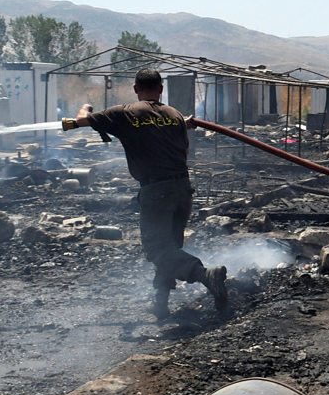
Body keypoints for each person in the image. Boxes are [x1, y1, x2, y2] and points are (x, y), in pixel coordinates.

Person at [64, 69, 228, 321]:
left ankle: (205, 274)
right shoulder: (174, 115)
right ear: (161, 89)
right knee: (170, 247)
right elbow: (167, 130)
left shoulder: (124, 113)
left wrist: (86, 107)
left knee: (157, 250)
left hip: (156, 191)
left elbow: (81, 120)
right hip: (183, 189)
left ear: (135, 88)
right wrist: (186, 123)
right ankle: (161, 305)